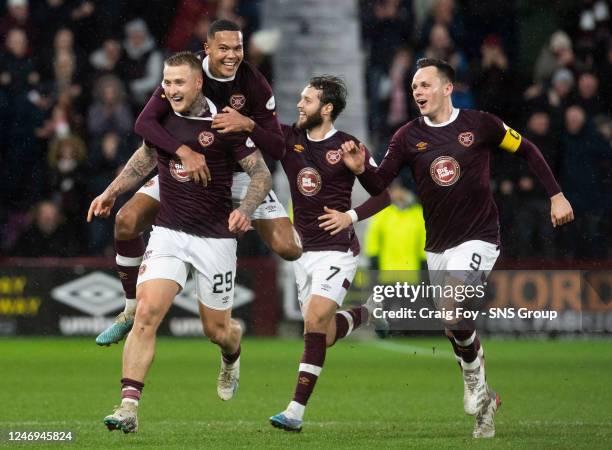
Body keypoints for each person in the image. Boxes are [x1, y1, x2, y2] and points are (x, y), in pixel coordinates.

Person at [340, 58, 574, 439]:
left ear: (447, 88)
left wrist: (557, 195)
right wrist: (359, 168)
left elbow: (528, 149)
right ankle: (485, 398)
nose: (418, 92)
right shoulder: (406, 137)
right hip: (438, 245)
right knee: (453, 327)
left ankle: (472, 383)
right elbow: (380, 182)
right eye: (414, 87)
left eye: (425, 85)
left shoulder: (480, 124)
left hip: (480, 236)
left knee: (451, 310)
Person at [91, 52, 272, 433]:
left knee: (216, 331)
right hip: (170, 233)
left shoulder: (223, 124)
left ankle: (232, 348)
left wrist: (247, 209)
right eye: (167, 83)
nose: (171, 90)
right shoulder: (162, 120)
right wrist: (111, 191)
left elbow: (261, 176)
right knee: (146, 314)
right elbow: (143, 159)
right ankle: (128, 407)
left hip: (215, 240)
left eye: (179, 83)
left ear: (198, 83)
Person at [92, 19, 301, 346]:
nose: (232, 55)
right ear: (207, 49)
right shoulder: (184, 75)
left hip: (237, 175)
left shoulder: (254, 84)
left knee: (289, 249)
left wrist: (247, 123)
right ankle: (130, 309)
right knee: (126, 220)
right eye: (224, 48)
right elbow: (145, 125)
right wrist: (183, 153)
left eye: (238, 48)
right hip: (186, 174)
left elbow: (277, 147)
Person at [269, 75, 390, 432]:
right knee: (323, 333)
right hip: (302, 253)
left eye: (307, 100)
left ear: (327, 108)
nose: (299, 105)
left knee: (315, 319)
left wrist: (350, 214)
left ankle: (294, 412)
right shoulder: (289, 138)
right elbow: (258, 126)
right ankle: (363, 315)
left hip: (338, 252)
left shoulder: (349, 146)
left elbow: (382, 195)